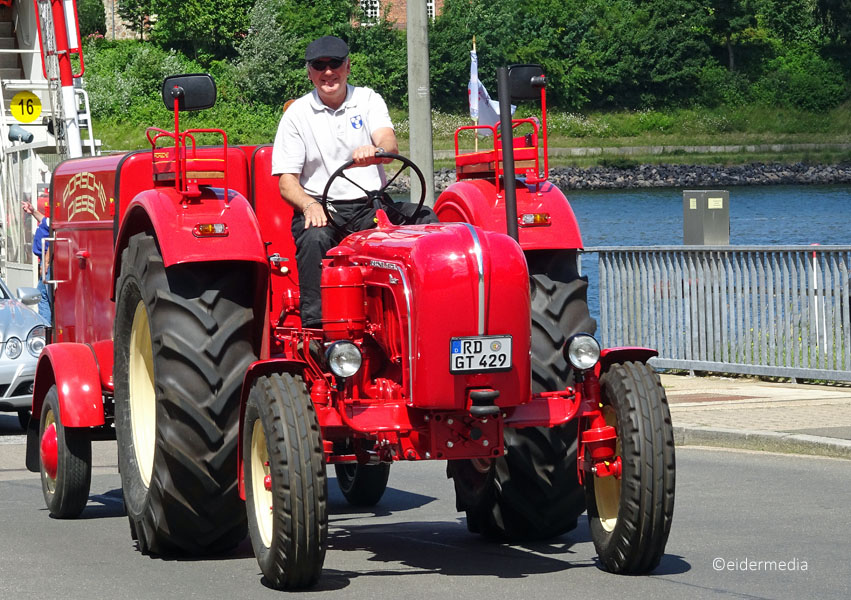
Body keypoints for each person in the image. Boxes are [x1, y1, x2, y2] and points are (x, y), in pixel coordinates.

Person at [271, 35, 438, 328]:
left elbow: (389, 144)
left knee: (425, 219)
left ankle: (428, 313)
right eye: (319, 66)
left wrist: (377, 151)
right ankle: (318, 331)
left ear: (347, 66)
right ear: (309, 72)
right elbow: (287, 182)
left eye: (334, 64)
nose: (328, 72)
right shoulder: (297, 114)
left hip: (371, 207)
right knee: (315, 238)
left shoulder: (368, 100)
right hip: (326, 209)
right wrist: (309, 205)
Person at [21, 198, 51, 323]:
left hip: (48, 264)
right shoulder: (48, 221)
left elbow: (52, 241)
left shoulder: (53, 222)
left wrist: (45, 264)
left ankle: (46, 327)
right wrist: (32, 211)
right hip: (45, 262)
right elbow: (44, 221)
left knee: (42, 295)